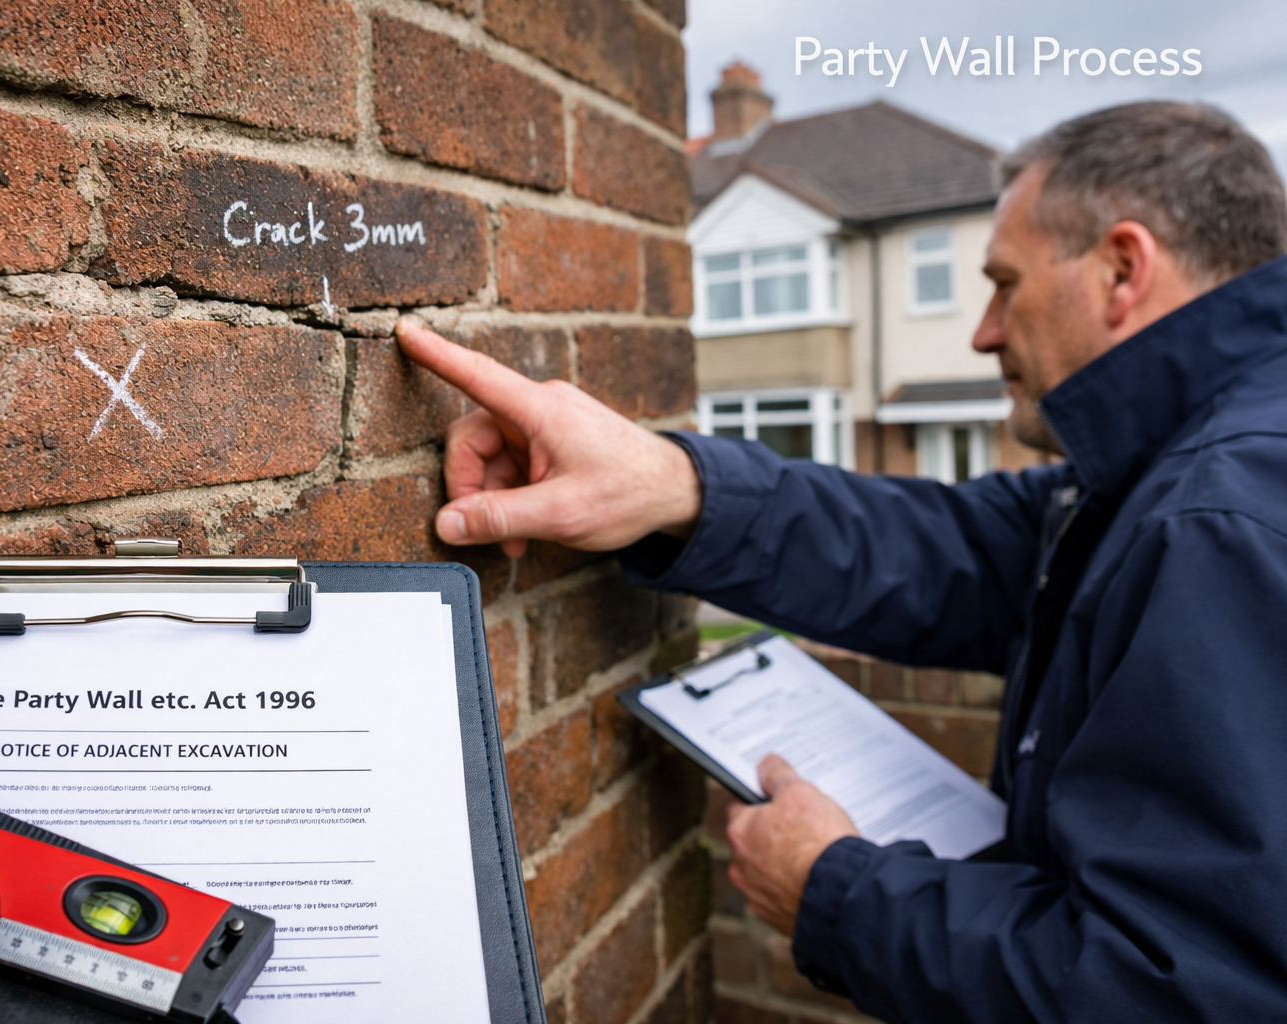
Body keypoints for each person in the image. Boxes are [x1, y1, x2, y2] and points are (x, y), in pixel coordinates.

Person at [394, 101, 1287, 1021]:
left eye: (1004, 282)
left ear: (1123, 269)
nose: (983, 331)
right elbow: (946, 547)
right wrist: (673, 483)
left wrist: (837, 891)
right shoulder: (1150, 479)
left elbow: (1178, 990)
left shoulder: (1223, 519)